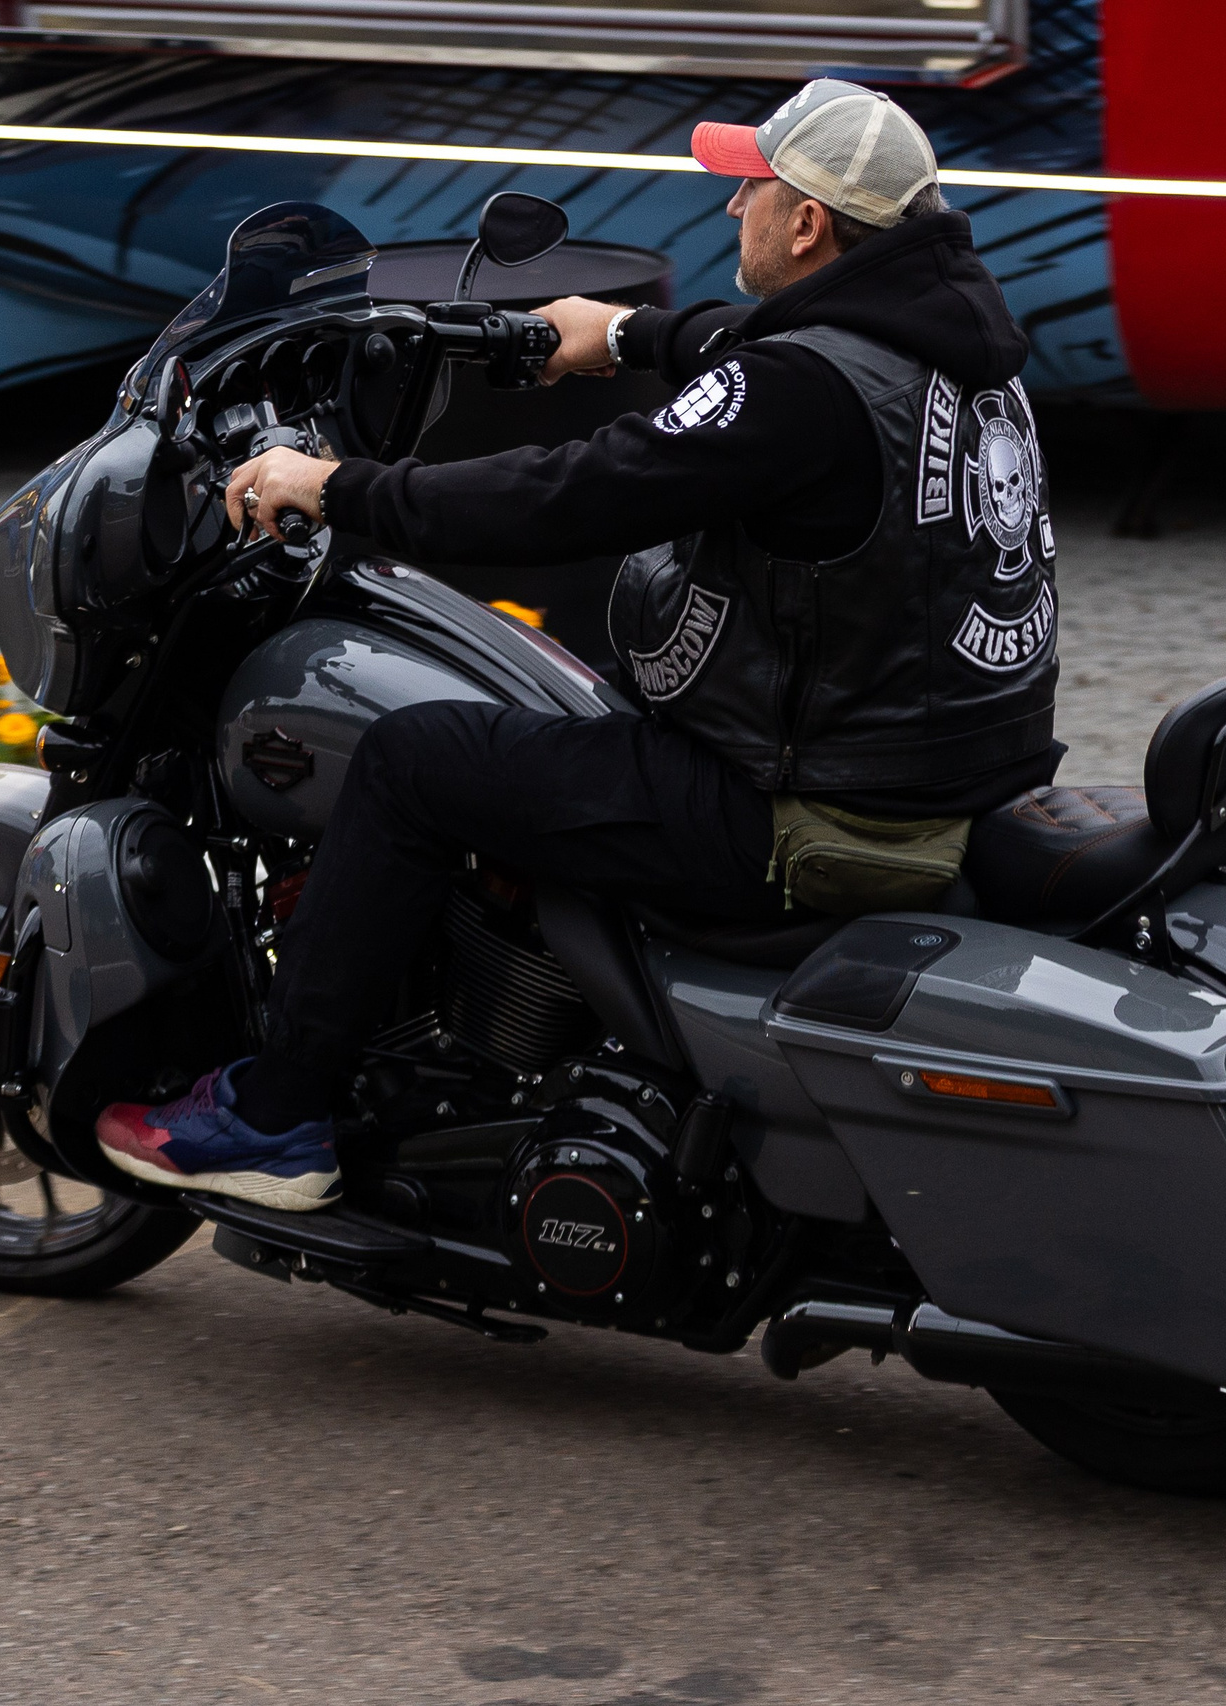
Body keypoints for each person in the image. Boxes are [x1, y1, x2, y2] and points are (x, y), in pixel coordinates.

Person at [95, 81, 1063, 1210]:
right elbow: (783, 356)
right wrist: (629, 333)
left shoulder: (796, 387)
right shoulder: (958, 350)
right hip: (934, 769)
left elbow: (567, 495)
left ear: (807, 223)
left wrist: (339, 485)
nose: (728, 209)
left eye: (751, 186)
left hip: (809, 808)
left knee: (415, 761)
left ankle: (277, 1115)